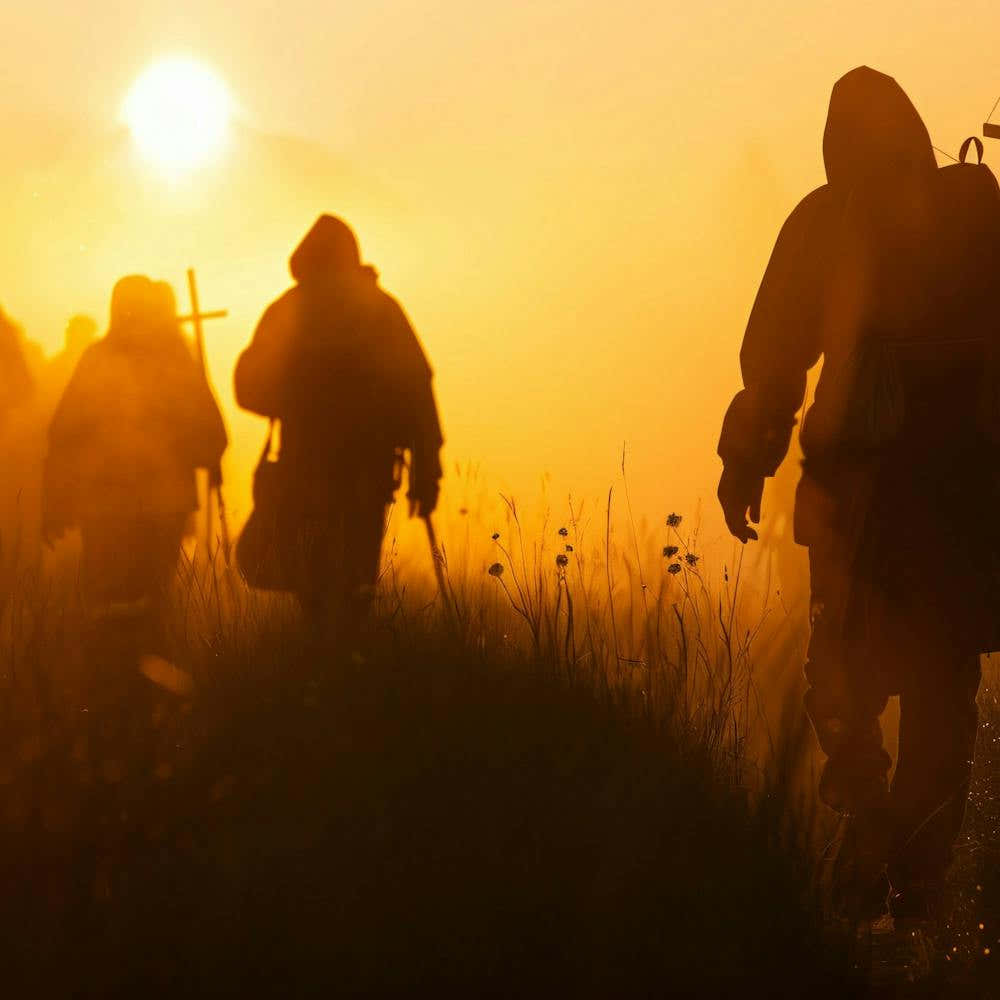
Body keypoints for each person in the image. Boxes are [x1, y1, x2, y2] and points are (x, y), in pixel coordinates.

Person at [716, 67, 1000, 922]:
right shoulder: (976, 213)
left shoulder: (825, 223)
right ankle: (915, 878)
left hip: (864, 503)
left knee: (839, 680)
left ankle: (876, 829)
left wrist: (745, 463)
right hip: (958, 505)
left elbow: (772, 362)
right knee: (940, 697)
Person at [235, 214, 444, 637]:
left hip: (304, 470)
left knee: (311, 577)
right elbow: (417, 389)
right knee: (355, 578)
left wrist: (294, 398)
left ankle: (320, 663)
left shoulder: (288, 307)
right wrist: (427, 473)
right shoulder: (380, 308)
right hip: (367, 473)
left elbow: (248, 387)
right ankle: (348, 664)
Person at [43, 275, 227, 620]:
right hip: (160, 503)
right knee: (153, 599)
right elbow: (210, 428)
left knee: (107, 602)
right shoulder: (174, 359)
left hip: (106, 503)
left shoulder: (97, 359)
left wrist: (56, 500)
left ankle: (112, 666)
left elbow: (64, 433)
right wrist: (206, 457)